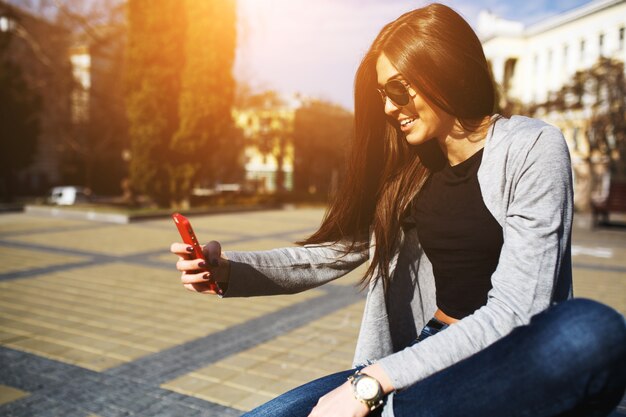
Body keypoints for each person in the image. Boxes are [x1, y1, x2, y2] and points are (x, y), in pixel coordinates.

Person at [171, 3, 626, 417]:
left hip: (498, 366)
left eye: (399, 89)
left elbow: (516, 311)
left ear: (444, 70)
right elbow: (337, 251)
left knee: (589, 332)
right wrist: (228, 269)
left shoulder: (532, 146)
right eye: (382, 94)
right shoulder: (413, 170)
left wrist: (370, 386)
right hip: (420, 360)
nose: (389, 107)